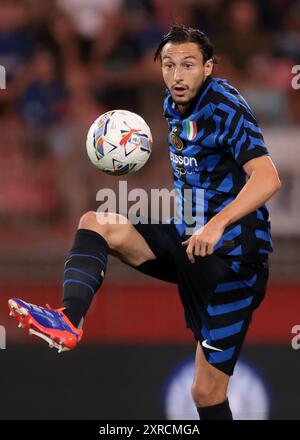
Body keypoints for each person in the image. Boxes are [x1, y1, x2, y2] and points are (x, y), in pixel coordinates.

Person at [8, 25, 281, 420]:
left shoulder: (225, 106)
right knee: (96, 223)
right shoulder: (173, 106)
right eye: (169, 65)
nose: (177, 75)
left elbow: (268, 177)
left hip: (235, 264)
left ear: (208, 68)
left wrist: (216, 224)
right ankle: (69, 320)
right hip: (190, 242)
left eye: (188, 65)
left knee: (205, 393)